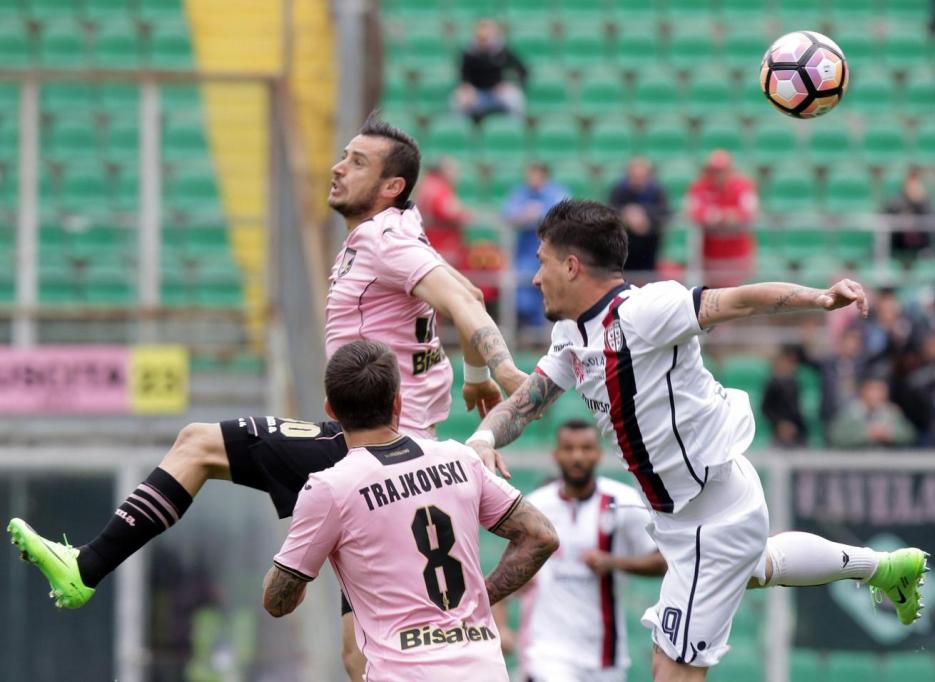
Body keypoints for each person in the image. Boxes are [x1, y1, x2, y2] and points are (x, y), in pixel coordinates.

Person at [8, 117, 527, 681]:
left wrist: (501, 368)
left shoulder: (385, 239)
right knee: (361, 651)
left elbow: (463, 298)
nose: (337, 166)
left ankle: (86, 566)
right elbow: (469, 291)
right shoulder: (405, 230)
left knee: (198, 444)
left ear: (390, 187)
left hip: (371, 445)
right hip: (410, 459)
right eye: (343, 155)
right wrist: (474, 374)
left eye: (356, 161)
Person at [465, 199, 929, 681]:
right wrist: (482, 438)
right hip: (691, 511)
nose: (536, 278)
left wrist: (819, 297)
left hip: (712, 520)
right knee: (761, 565)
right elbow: (527, 402)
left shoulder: (646, 310)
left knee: (673, 669)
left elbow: (740, 300)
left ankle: (881, 568)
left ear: (572, 265)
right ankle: (884, 567)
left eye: (541, 263)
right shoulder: (571, 334)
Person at [262, 340, 558, 681]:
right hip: (482, 670)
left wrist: (298, 557)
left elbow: (277, 602)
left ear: (331, 410)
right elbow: (541, 535)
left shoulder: (331, 488)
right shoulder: (459, 458)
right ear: (398, 402)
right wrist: (479, 601)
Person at [492, 419, 666, 682]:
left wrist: (614, 563)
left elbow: (663, 562)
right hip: (546, 652)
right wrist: (501, 627)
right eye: (569, 448)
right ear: (556, 453)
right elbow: (507, 570)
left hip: (605, 654)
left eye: (585, 448)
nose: (577, 456)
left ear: (598, 452)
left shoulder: (622, 502)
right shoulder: (537, 506)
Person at [502, 162, 569, 328]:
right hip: (525, 254)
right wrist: (523, 215)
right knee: (523, 296)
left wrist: (540, 215)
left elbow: (566, 216)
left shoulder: (557, 193)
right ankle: (528, 336)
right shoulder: (521, 193)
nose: (532, 179)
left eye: (535, 175)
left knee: (551, 293)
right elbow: (507, 213)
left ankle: (546, 338)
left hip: (553, 253)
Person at [686, 150, 759, 289]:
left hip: (737, 253)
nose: (717, 175)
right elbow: (695, 212)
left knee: (740, 294)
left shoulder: (742, 186)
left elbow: (747, 213)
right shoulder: (700, 187)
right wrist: (724, 216)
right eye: (713, 171)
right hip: (711, 254)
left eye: (721, 171)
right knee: (714, 295)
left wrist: (719, 216)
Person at [608, 157, 671, 282]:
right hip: (624, 247)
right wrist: (626, 216)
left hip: (650, 245)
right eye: (634, 175)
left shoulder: (657, 191)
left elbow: (665, 212)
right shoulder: (618, 190)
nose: (638, 179)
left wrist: (645, 216)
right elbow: (610, 211)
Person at [454, 19, 528, 122]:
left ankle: (516, 129)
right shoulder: (469, 52)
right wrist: (467, 87)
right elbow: (463, 74)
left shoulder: (501, 50)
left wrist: (510, 83)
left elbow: (522, 70)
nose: (484, 40)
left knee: (515, 99)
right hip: (477, 93)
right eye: (481, 37)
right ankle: (462, 133)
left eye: (487, 36)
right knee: (457, 101)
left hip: (497, 93)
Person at [827, 376, 917, 449]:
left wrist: (888, 434)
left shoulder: (891, 412)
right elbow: (835, 436)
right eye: (873, 390)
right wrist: (867, 434)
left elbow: (909, 434)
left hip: (885, 465)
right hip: (855, 466)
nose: (876, 395)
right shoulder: (849, 412)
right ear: (863, 391)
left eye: (880, 390)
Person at [416, 156, 471, 268]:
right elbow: (450, 213)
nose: (456, 174)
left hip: (433, 246)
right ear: (442, 171)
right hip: (439, 245)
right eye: (452, 169)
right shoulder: (436, 186)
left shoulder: (429, 183)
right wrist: (466, 215)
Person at [883, 167, 935, 262]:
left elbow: (931, 217)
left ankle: (929, 255)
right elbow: (888, 214)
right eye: (911, 182)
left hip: (920, 243)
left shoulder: (926, 200)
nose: (913, 186)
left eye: (916, 183)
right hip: (899, 242)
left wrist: (919, 202)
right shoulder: (896, 199)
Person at [761, 346, 808, 448]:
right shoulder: (772, 384)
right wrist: (780, 424)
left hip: (796, 431)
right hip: (778, 431)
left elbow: (796, 411)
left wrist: (795, 427)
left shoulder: (795, 383)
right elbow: (765, 409)